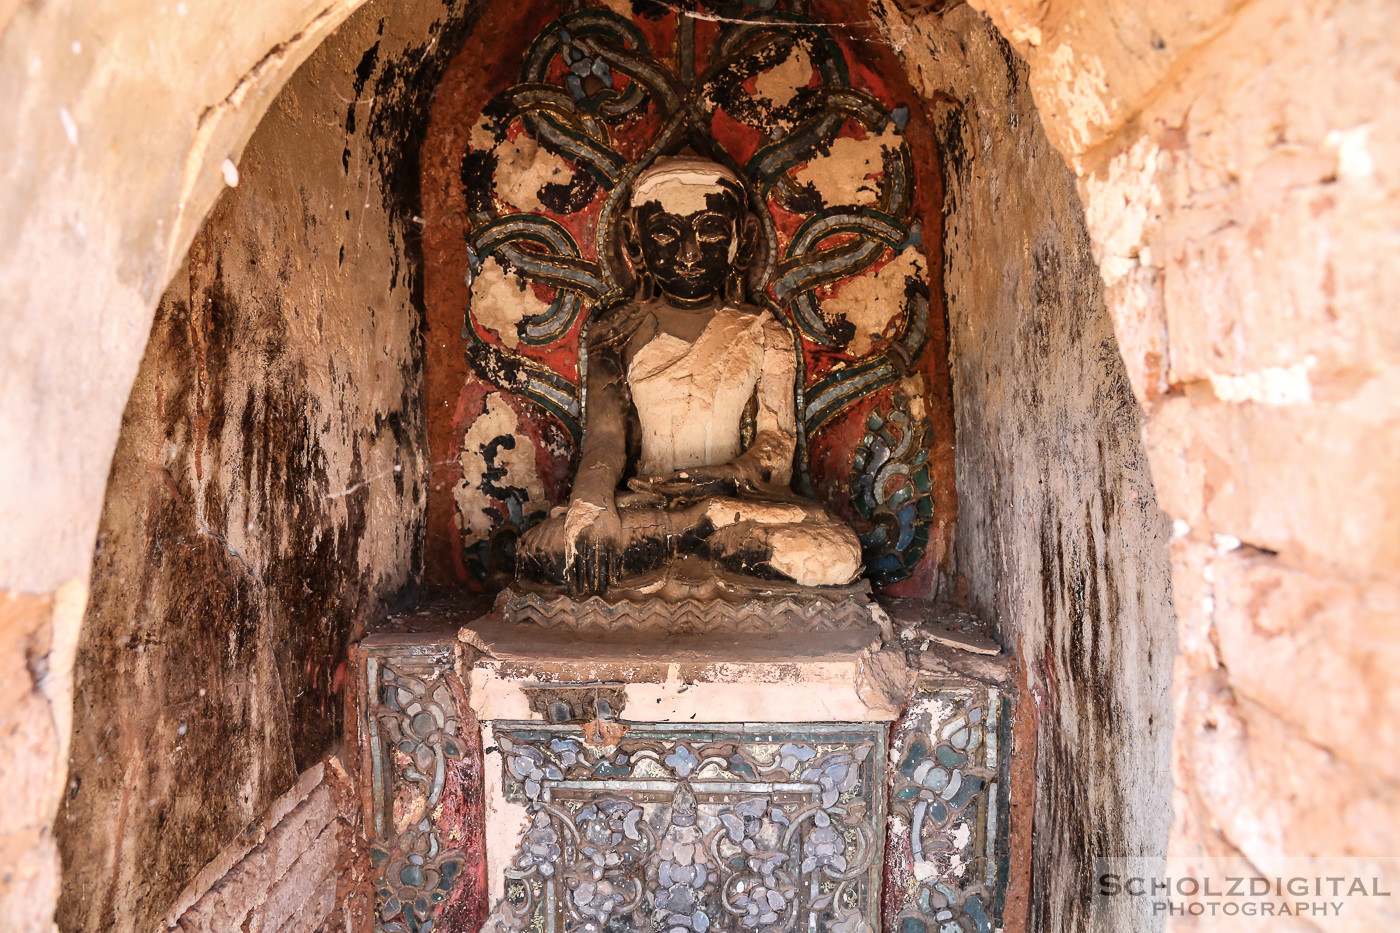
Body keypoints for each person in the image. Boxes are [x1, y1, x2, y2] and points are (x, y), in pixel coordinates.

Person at [516, 155, 863, 597]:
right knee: (540, 553)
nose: (689, 253)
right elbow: (604, 440)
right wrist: (592, 507)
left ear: (744, 239)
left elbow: (777, 444)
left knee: (838, 552)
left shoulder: (763, 330)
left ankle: (691, 535)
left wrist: (728, 473)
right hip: (646, 504)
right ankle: (693, 535)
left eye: (711, 229)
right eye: (664, 232)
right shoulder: (614, 331)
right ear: (634, 242)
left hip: (736, 504)